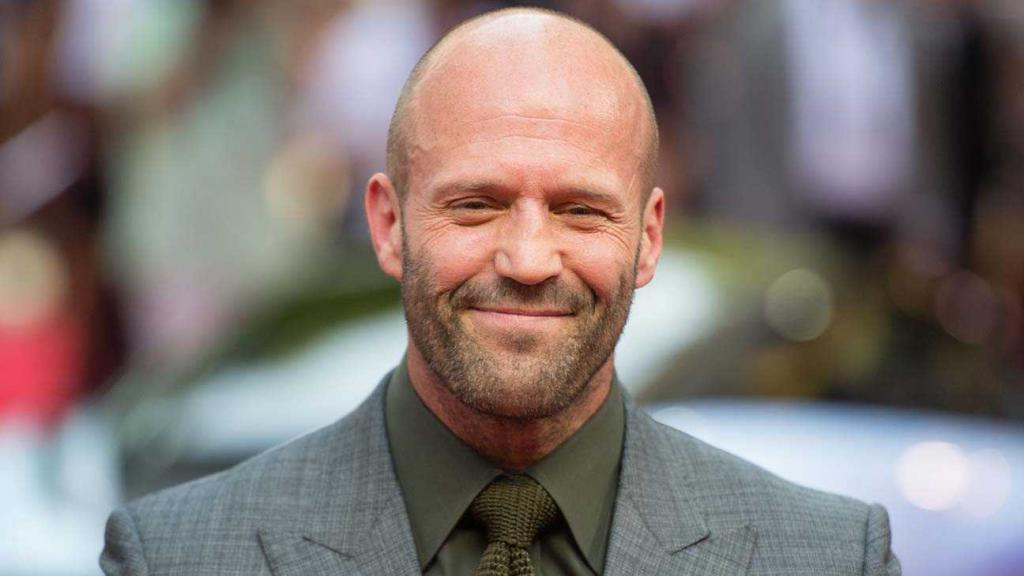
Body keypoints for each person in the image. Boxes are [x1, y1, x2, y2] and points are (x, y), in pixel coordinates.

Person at [100, 7, 900, 575]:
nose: (526, 258)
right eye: (476, 205)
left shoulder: (828, 559)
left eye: (580, 210)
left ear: (649, 238)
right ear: (387, 225)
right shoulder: (178, 558)